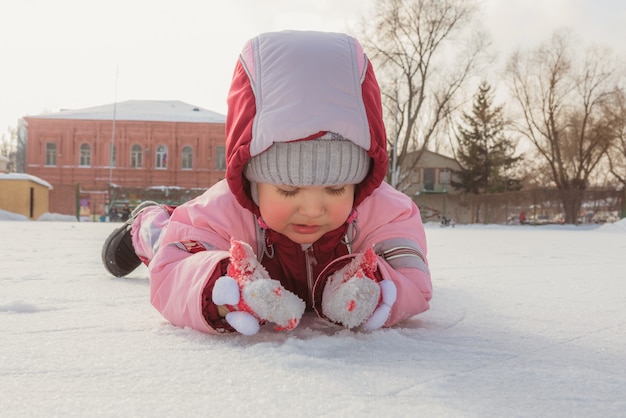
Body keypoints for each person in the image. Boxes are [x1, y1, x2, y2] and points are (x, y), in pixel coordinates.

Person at [101, 30, 432, 336]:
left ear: (359, 183)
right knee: (169, 237)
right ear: (252, 181)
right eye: (288, 189)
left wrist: (378, 287)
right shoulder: (224, 210)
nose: (313, 209)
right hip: (210, 239)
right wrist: (221, 286)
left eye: (336, 188)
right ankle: (149, 224)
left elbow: (412, 276)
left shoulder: (383, 211)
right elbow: (173, 270)